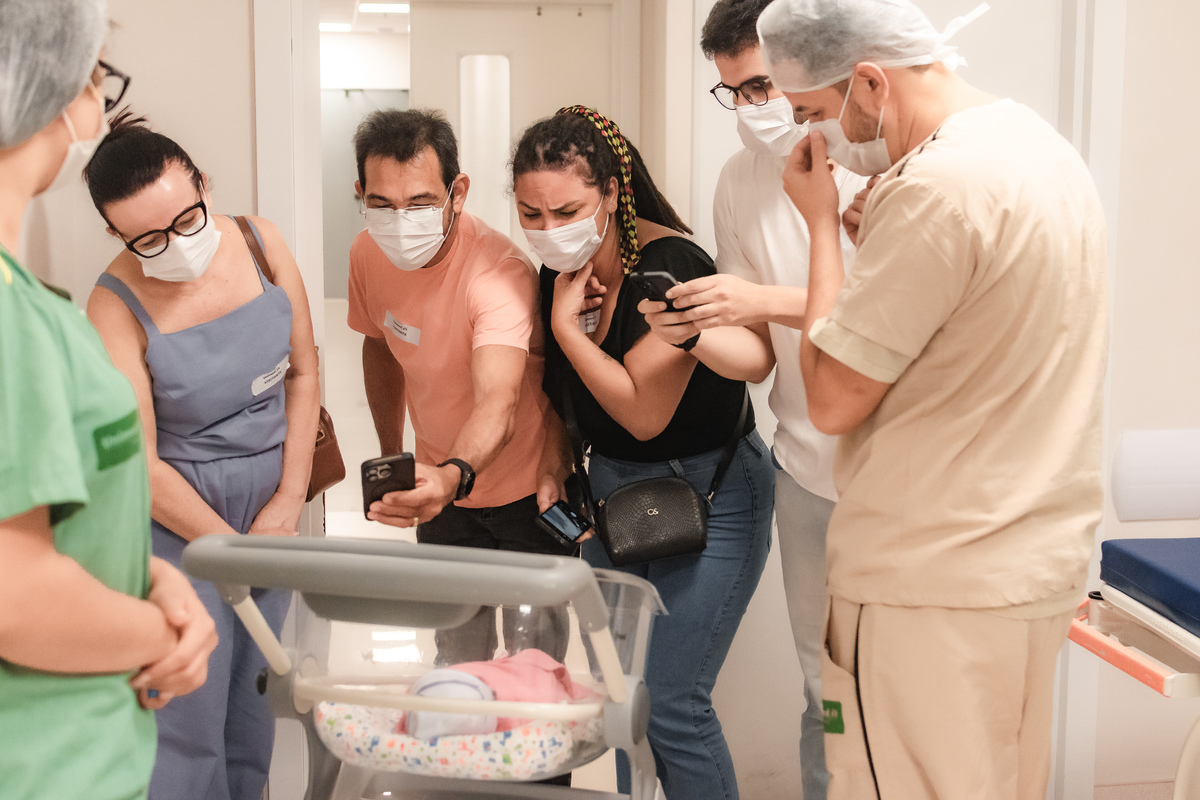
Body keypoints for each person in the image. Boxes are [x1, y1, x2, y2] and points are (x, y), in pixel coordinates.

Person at [756, 0, 1109, 797]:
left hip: (927, 585)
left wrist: (819, 228)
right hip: (1028, 567)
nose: (819, 138)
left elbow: (834, 400)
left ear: (871, 82)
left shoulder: (935, 189)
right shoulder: (1034, 146)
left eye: (814, 112)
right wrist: (876, 233)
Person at [639, 3, 871, 797]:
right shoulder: (740, 180)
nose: (751, 108)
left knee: (904, 684)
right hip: (806, 468)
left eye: (763, 85)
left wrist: (757, 299)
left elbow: (888, 322)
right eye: (732, 91)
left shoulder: (880, 162)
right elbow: (756, 359)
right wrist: (691, 330)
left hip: (898, 471)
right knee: (823, 686)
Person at [514, 106, 775, 800]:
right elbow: (560, 396)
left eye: (565, 209)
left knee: (674, 702)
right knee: (623, 698)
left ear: (609, 193)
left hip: (710, 493)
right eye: (529, 214)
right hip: (613, 492)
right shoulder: (557, 270)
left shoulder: (671, 268)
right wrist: (554, 458)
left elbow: (643, 412)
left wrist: (569, 331)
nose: (547, 229)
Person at [0, 2, 217, 799]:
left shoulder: (34, 304)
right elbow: (14, 595)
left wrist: (155, 580)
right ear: (63, 90)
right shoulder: (16, 317)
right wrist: (169, 630)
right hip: (44, 763)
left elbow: (57, 533)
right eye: (98, 74)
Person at [84, 113, 320, 799]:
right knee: (188, 711)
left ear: (204, 186)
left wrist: (287, 501)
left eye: (188, 220)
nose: (176, 245)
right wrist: (229, 549)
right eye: (149, 239)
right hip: (178, 523)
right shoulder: (114, 303)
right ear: (116, 234)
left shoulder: (258, 240)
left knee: (255, 696)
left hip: (271, 506)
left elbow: (304, 372)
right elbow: (141, 462)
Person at [348, 108, 569, 667]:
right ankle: (463, 754)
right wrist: (391, 452)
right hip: (442, 489)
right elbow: (380, 344)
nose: (400, 220)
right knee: (458, 661)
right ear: (361, 193)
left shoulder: (499, 272)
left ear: (457, 191)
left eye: (420, 202)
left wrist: (454, 475)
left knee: (533, 674)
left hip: (527, 496)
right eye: (382, 204)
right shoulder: (366, 255)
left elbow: (500, 398)